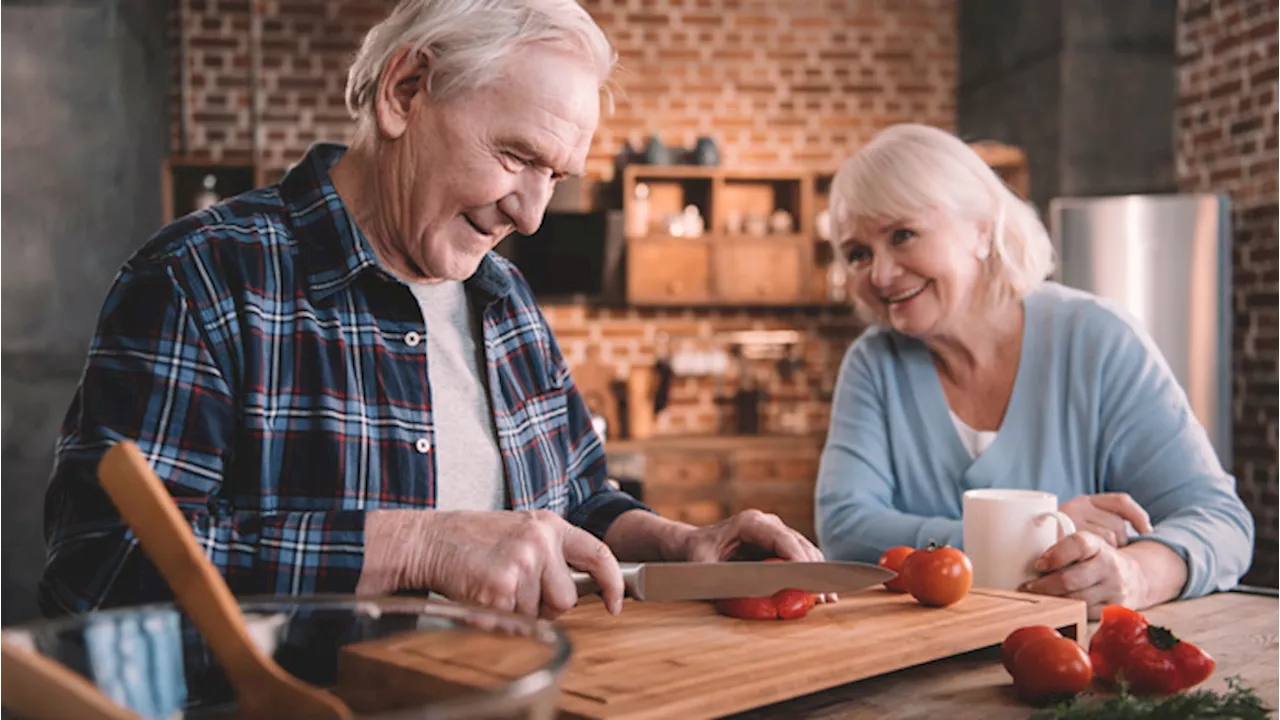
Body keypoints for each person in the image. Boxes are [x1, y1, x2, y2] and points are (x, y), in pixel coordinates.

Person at [40, 0, 825, 621]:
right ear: (404, 91)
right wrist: (420, 545)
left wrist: (683, 545)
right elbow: (103, 570)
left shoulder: (505, 298)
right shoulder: (202, 278)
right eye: (517, 156)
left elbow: (579, 500)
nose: (532, 215)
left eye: (555, 174)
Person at [813, 123, 1254, 617]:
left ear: (981, 227)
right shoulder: (874, 366)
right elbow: (845, 531)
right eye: (858, 254)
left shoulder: (1098, 340)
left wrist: (1134, 574)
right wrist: (1024, 535)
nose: (881, 274)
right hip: (916, 667)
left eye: (903, 235)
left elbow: (1220, 520)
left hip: (1072, 667)